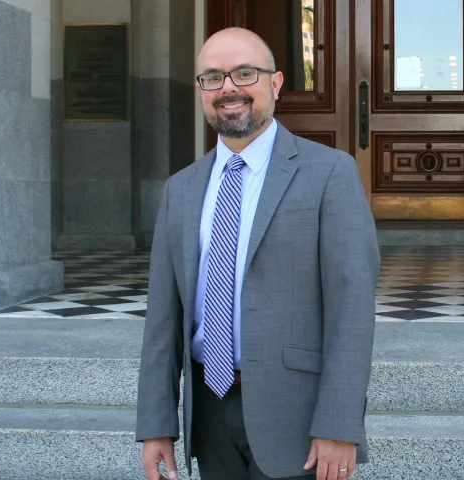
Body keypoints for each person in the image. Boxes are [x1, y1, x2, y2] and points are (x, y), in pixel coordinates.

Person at [135, 27, 380, 480]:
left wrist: (340, 423)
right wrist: (156, 426)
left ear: (276, 83)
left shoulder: (330, 174)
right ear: (201, 91)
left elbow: (352, 310)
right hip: (208, 414)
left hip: (298, 422)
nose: (228, 87)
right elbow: (163, 321)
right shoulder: (182, 189)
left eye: (244, 73)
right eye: (213, 77)